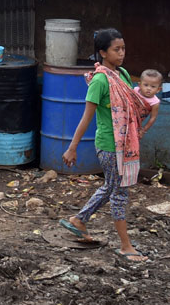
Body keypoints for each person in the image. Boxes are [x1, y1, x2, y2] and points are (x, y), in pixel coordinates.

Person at [60, 28, 151, 262]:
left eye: (123, 49)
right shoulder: (100, 80)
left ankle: (80, 220)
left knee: (112, 187)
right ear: (102, 52)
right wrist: (73, 147)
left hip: (126, 144)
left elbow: (134, 102)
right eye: (116, 49)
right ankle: (125, 246)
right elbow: (86, 117)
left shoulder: (122, 74)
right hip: (110, 145)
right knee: (119, 192)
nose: (121, 53)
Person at [134, 69, 162, 138]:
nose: (149, 88)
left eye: (153, 86)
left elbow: (153, 117)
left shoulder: (155, 102)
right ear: (139, 85)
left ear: (158, 89)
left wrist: (143, 130)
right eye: (146, 85)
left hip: (136, 124)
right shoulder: (135, 91)